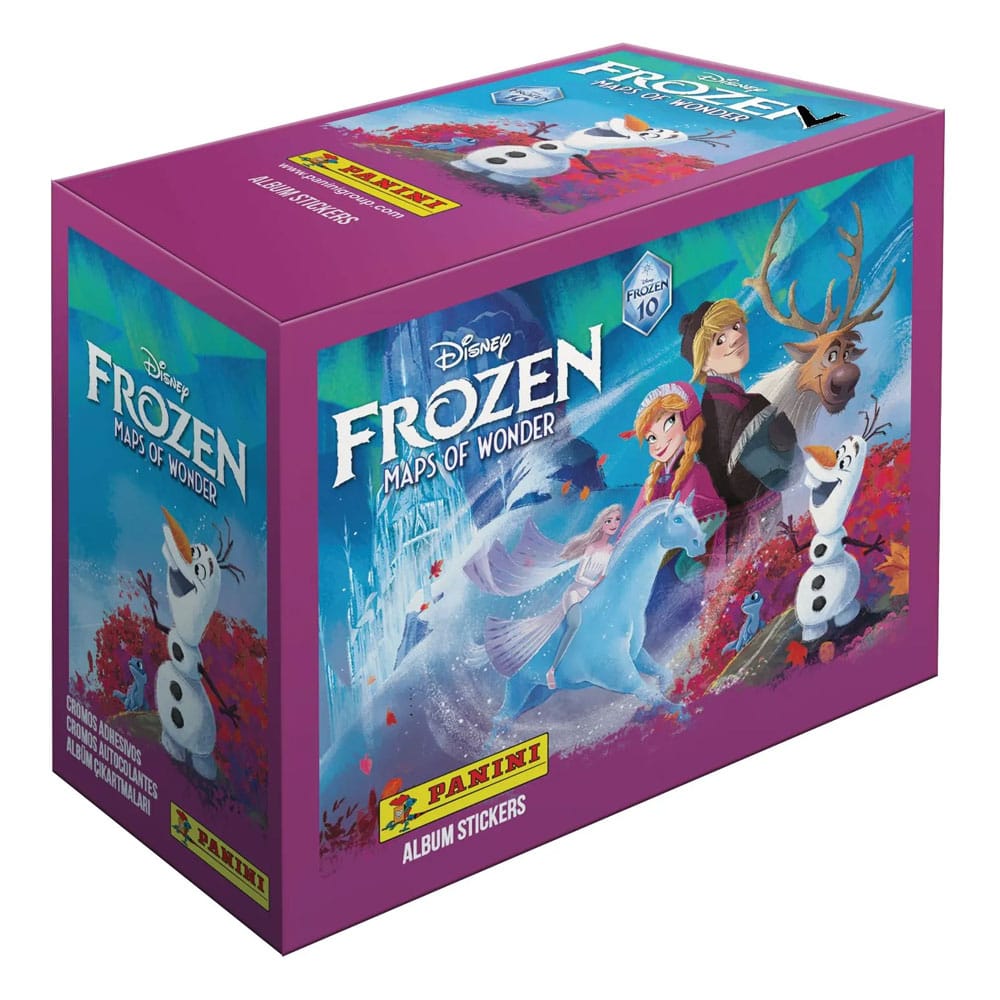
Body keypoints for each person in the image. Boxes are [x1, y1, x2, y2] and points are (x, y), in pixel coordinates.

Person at [679, 299, 800, 557]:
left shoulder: (715, 404)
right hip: (759, 530)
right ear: (703, 362)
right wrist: (785, 443)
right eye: (719, 340)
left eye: (735, 326)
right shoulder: (739, 408)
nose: (735, 337)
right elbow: (782, 476)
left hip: (745, 529)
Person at [621, 382, 726, 662]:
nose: (658, 442)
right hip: (656, 566)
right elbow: (633, 524)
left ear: (687, 422)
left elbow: (710, 518)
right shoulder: (653, 482)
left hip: (684, 567)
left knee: (665, 609)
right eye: (651, 437)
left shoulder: (696, 473)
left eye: (668, 423)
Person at [464, 505, 623, 689]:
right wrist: (593, 584)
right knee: (574, 625)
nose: (613, 524)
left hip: (592, 592)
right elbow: (579, 576)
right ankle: (552, 670)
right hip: (576, 592)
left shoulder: (610, 549)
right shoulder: (592, 548)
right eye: (609, 520)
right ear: (601, 524)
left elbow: (604, 573)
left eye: (617, 519)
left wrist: (601, 582)